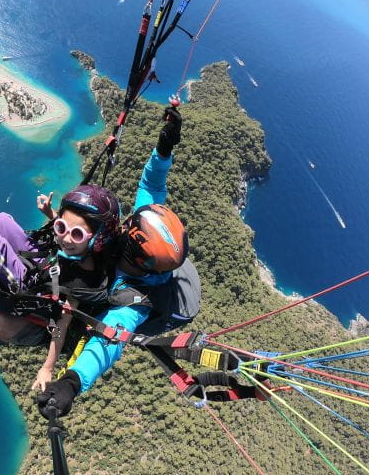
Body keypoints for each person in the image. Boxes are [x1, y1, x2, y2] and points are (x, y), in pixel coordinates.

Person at [35, 105, 265, 417]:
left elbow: (108, 344)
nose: (125, 228)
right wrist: (165, 145)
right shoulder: (144, 224)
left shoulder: (133, 300)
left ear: (136, 256)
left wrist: (71, 383)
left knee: (90, 315)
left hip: (158, 306)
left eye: (128, 233)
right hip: (171, 277)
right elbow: (152, 185)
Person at [0, 158, 120, 391]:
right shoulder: (82, 248)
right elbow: (72, 235)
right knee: (1, 221)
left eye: (76, 234)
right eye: (61, 228)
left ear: (97, 241)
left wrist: (48, 367)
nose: (66, 238)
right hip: (47, 270)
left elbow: (61, 325)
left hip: (37, 295)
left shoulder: (80, 282)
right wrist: (52, 215)